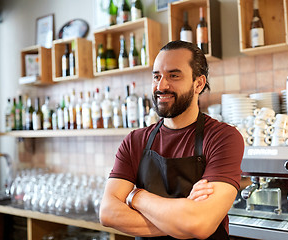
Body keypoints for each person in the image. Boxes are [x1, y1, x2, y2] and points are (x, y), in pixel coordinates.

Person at [99, 40, 244, 240]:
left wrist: (136, 196)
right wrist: (183, 220)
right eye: (157, 76)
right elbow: (108, 213)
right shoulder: (135, 141)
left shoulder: (223, 138)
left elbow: (201, 224)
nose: (161, 86)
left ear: (198, 84)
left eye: (173, 76)